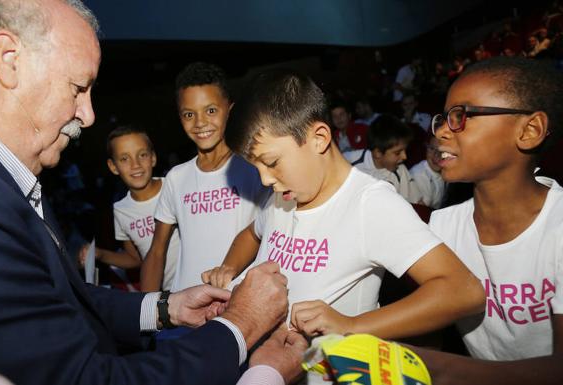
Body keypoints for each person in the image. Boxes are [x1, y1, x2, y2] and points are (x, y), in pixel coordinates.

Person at [0, 1, 303, 384]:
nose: (88, 114)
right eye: (78, 88)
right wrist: (241, 325)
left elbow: (61, 302)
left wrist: (165, 308)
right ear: (8, 59)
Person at [203, 68, 484, 345]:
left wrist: (352, 326)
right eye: (257, 168)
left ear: (319, 138)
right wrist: (229, 269)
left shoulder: (370, 204)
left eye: (272, 162)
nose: (265, 179)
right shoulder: (284, 196)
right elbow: (251, 234)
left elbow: (463, 291)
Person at [411, 57, 563, 385]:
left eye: (461, 116)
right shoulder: (443, 226)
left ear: (530, 130)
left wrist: (441, 368)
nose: (440, 131)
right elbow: (429, 336)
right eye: (443, 118)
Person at [140, 62, 269, 292]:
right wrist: (146, 313)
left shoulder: (256, 169)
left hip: (238, 304)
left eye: (211, 111)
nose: (200, 123)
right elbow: (157, 250)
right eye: (189, 114)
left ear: (230, 109)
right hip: (184, 307)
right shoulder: (176, 178)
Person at [77, 125, 181, 291]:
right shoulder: (121, 209)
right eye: (124, 159)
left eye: (142, 155)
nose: (136, 165)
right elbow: (135, 258)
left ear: (153, 158)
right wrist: (99, 254)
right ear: (113, 167)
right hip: (170, 294)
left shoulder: (175, 187)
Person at [344, 114, 424, 204]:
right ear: (378, 153)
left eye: (405, 150)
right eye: (397, 153)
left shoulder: (400, 171)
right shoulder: (348, 161)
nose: (404, 157)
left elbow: (418, 204)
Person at [410, 135, 447, 209]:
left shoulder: (448, 171)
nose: (436, 155)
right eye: (432, 149)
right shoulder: (419, 175)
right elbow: (424, 211)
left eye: (442, 151)